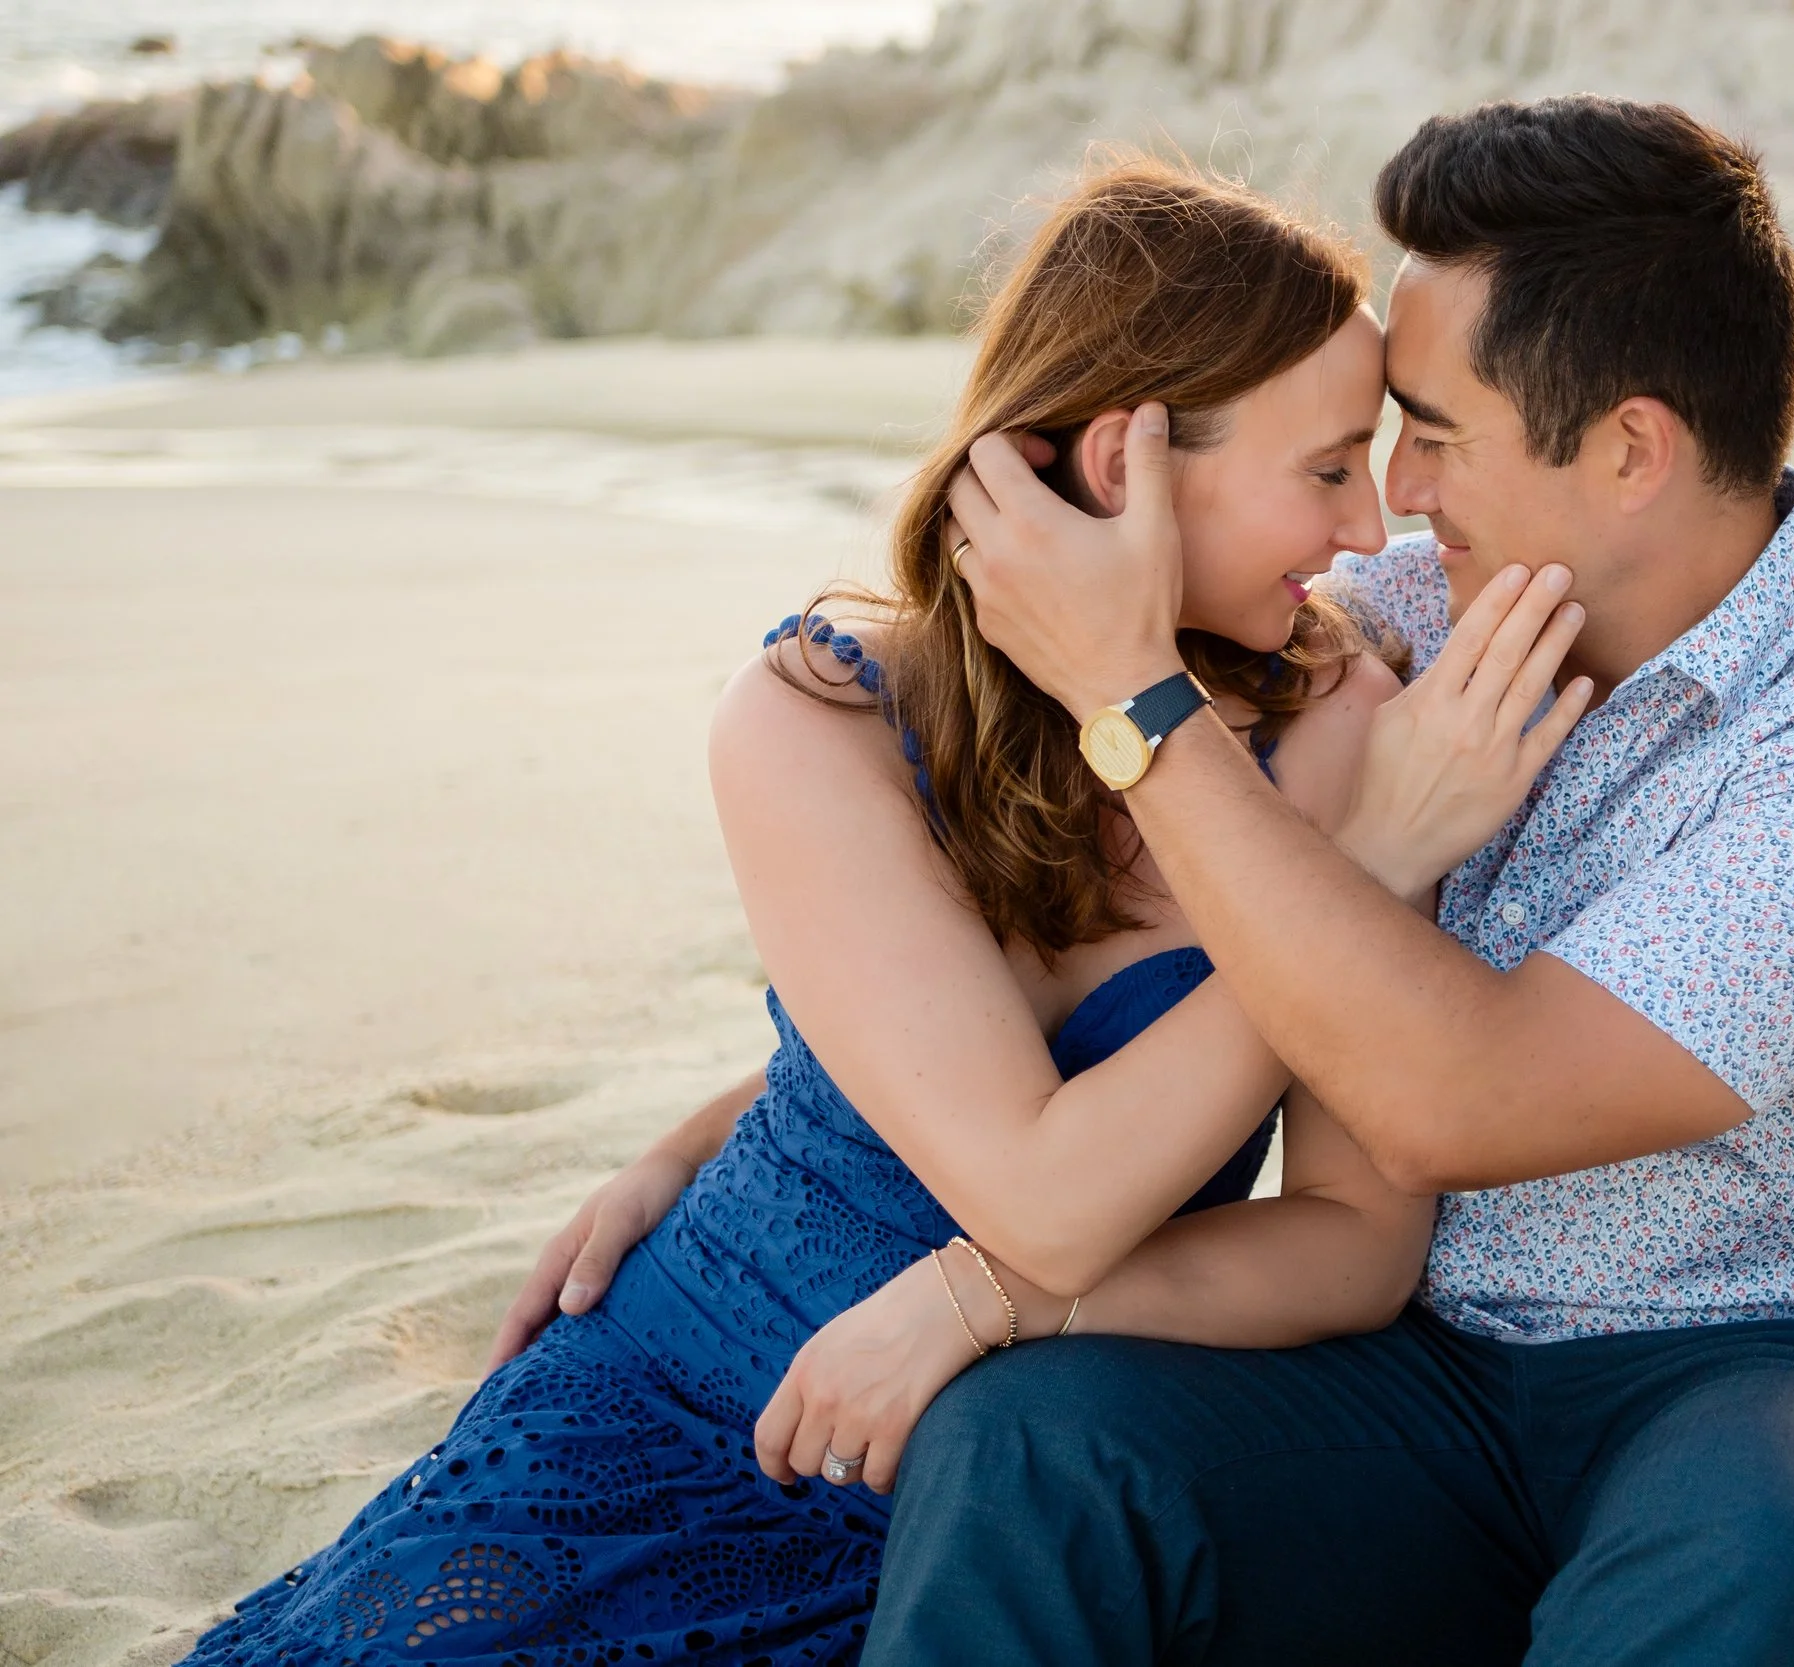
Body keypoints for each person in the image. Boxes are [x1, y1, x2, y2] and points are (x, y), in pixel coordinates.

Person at [177, 159, 1584, 1665]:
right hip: (673, 1381)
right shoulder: (821, 718)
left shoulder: (1343, 731)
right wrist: (1351, 888)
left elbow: (1353, 1243)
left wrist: (990, 1304)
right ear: (1125, 462)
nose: (1368, 528)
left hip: (993, 1487)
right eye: (1326, 468)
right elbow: (1011, 1157)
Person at [861, 96, 1794, 1665]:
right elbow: (1078, 926)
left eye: (1433, 432)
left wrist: (1134, 698)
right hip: (1425, 1387)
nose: (1394, 491)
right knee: (1031, 1446)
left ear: (1631, 449)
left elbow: (1455, 1100)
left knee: (1754, 1555)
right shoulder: (1396, 609)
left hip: (1792, 1374)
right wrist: (729, 1126)